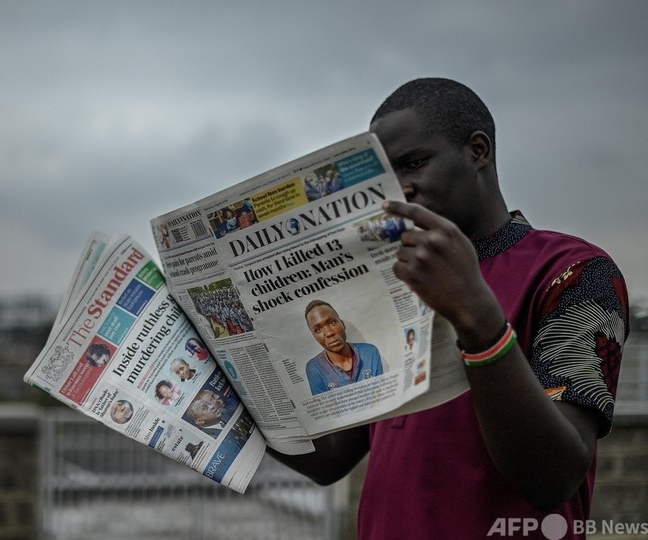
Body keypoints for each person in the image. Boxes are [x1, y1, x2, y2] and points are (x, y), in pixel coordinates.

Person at [269, 78, 629, 539]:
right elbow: (331, 457)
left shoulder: (573, 272)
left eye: (414, 164)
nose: (400, 190)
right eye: (385, 175)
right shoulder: (394, 286)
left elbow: (553, 478)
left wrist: (475, 318)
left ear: (478, 151)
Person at [304, 300, 383, 395]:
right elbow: (326, 408)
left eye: (332, 323)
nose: (329, 333)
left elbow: (381, 393)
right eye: (319, 329)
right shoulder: (314, 368)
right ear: (314, 336)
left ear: (342, 324)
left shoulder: (370, 352)